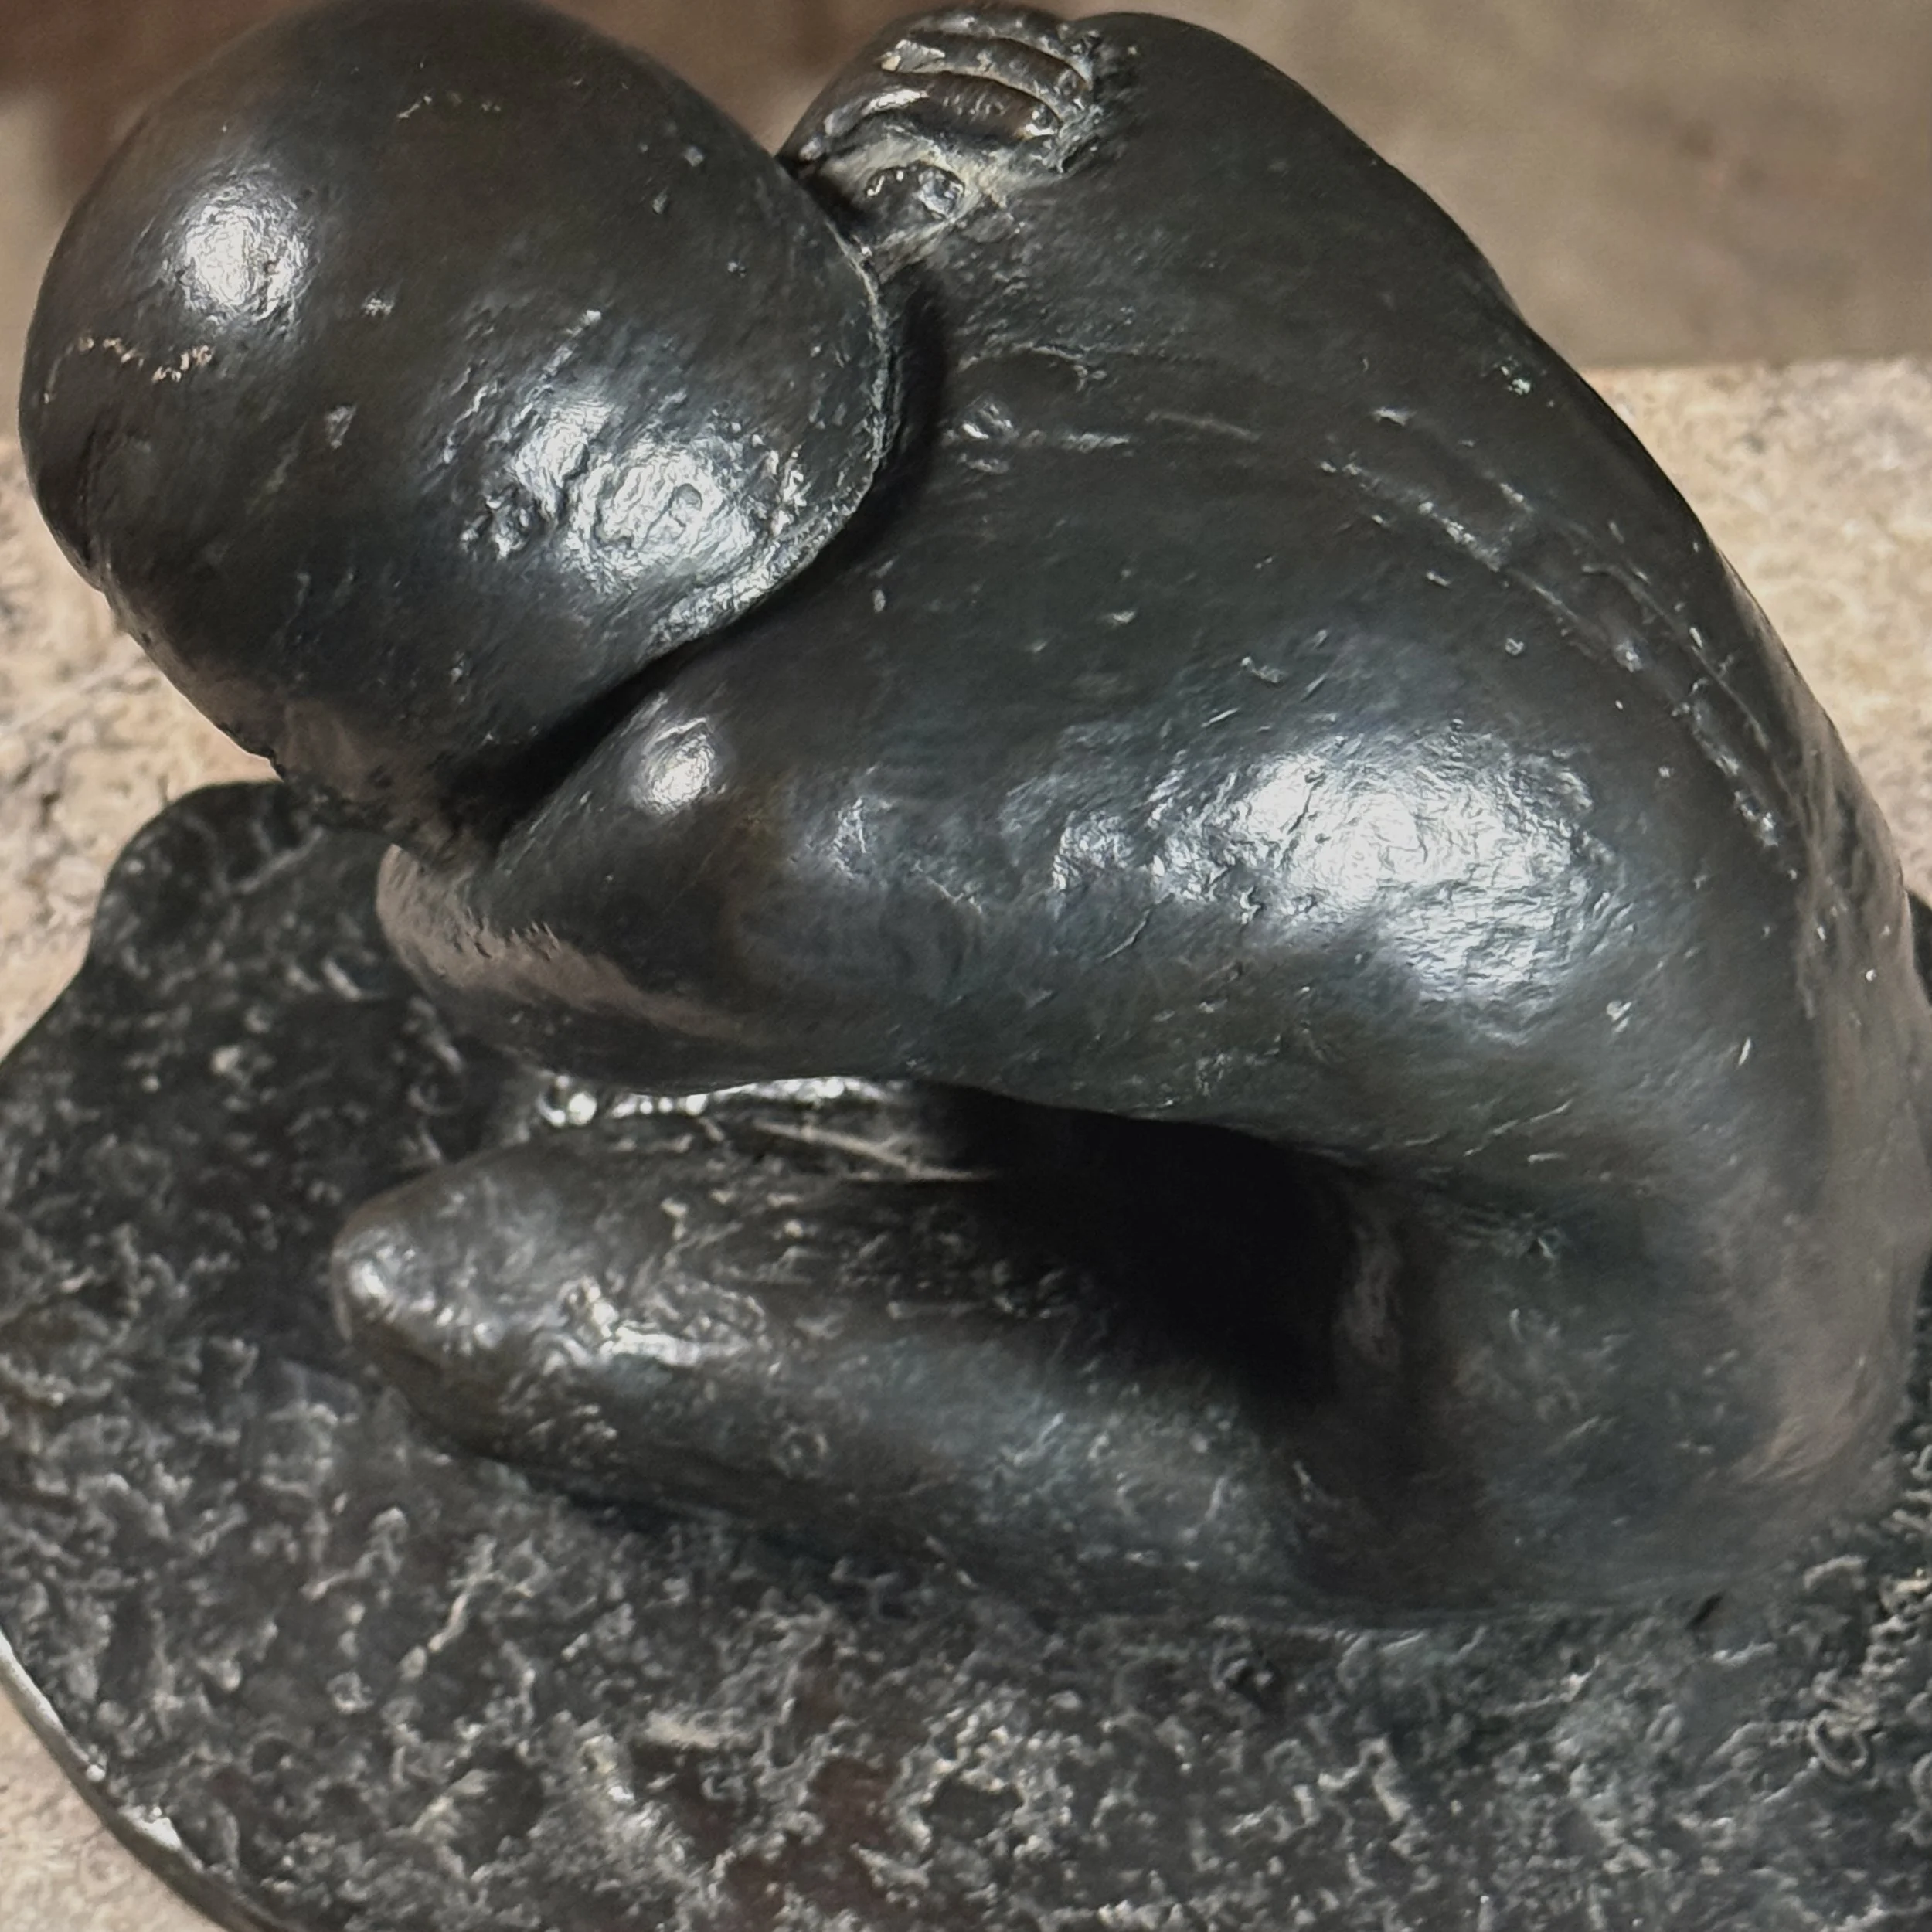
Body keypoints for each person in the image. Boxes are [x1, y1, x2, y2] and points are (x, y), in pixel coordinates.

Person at [24, 0, 1932, 1614]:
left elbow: (450, 947)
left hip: (1608, 1445)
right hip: (1861, 1057)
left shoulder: (749, 831)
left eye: (269, 710)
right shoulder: (1091, 94)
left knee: (435, 1283)